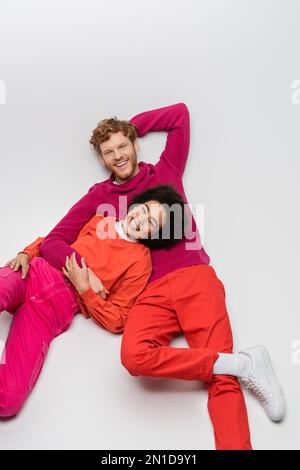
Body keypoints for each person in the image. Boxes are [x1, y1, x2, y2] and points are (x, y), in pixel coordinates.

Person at [5, 103, 284, 449]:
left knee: (221, 378)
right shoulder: (100, 197)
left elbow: (179, 115)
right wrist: (82, 273)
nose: (118, 156)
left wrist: (128, 127)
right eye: (109, 151)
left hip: (193, 277)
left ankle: (237, 409)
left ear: (136, 145)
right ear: (102, 159)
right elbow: (56, 238)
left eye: (124, 146)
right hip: (147, 293)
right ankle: (242, 363)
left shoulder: (165, 172)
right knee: (134, 356)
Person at [0, 184, 186, 417]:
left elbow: (118, 319)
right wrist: (26, 253)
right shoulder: (99, 220)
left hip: (50, 312)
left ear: (155, 236)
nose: (141, 220)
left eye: (152, 223)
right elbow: (54, 239)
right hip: (32, 273)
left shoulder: (140, 262)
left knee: (8, 401)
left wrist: (84, 288)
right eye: (145, 211)